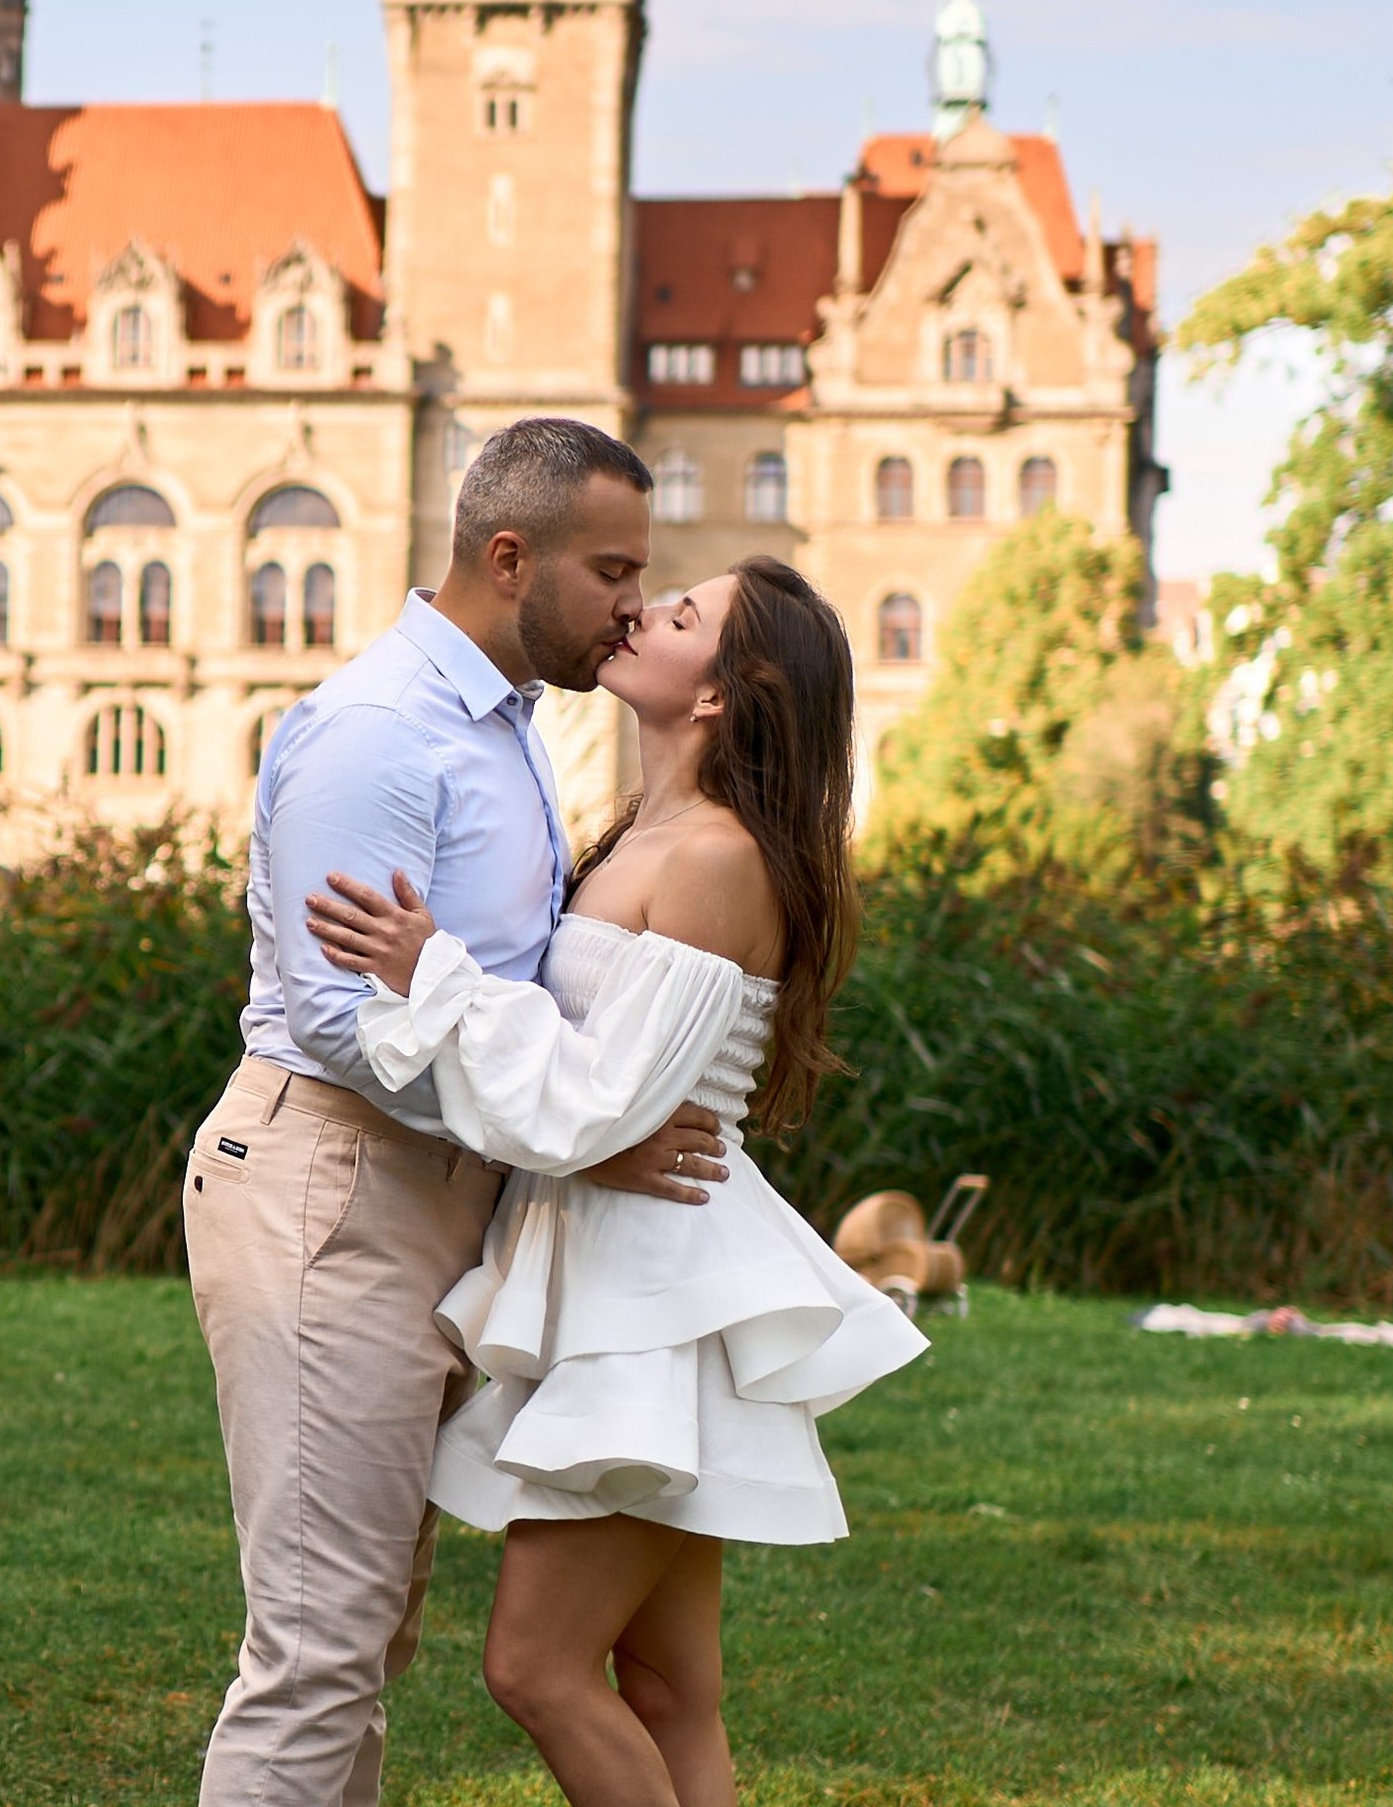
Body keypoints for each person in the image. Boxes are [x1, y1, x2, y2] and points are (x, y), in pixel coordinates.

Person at [308, 557, 928, 1807]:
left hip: (653, 1295)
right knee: (664, 1689)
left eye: (684, 616)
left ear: (721, 695)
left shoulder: (712, 858)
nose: (645, 612)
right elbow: (596, 1100)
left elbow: (600, 1103)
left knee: (536, 1667)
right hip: (632, 1270)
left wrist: (433, 973)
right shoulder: (644, 832)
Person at [183, 418, 731, 1807]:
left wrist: (575, 1120)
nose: (629, 602)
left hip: (429, 1202)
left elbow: (471, 988)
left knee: (365, 1637)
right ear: (508, 557)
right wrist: (578, 1129)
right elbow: (340, 1015)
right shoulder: (382, 734)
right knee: (316, 1652)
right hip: (334, 1186)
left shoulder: (500, 727)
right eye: (614, 569)